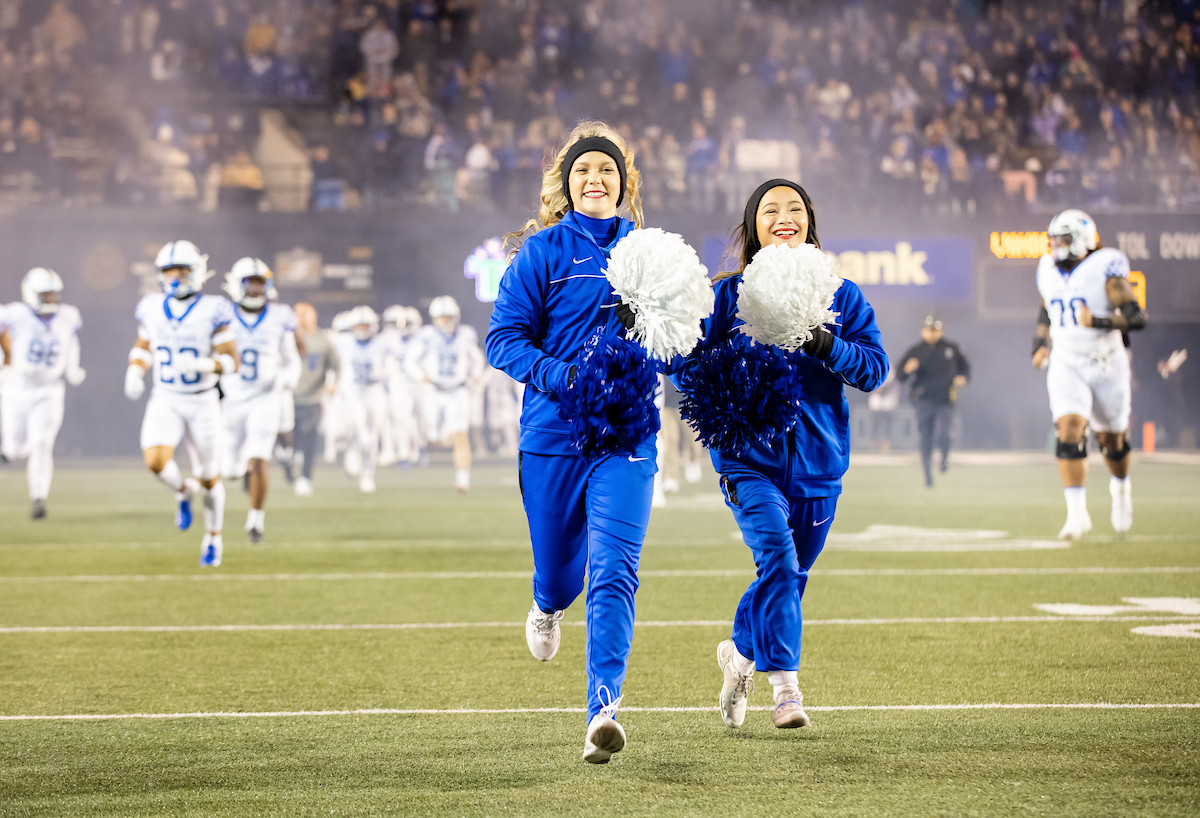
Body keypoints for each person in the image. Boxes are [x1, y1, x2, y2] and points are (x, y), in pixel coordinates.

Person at [681, 179, 888, 731]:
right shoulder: (727, 296)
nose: (783, 216)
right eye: (769, 209)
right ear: (752, 228)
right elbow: (684, 365)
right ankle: (787, 691)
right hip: (748, 461)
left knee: (788, 578)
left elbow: (874, 369)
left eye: (794, 208)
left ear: (810, 222)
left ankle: (739, 657)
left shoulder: (841, 295)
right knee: (777, 559)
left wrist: (826, 343)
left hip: (819, 466)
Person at [486, 121, 652, 764]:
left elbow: (679, 342)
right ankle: (547, 603)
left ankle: (602, 710)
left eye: (607, 170)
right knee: (560, 572)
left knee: (615, 570)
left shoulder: (649, 251)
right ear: (566, 183)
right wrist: (565, 376)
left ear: (623, 183)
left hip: (627, 436)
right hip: (553, 436)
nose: (595, 179)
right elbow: (504, 339)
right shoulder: (543, 253)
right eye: (584, 170)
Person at [1033, 209, 1146, 539]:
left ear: (1081, 239)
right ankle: (1077, 515)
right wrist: (1039, 343)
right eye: (1053, 239)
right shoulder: (1047, 269)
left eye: (1063, 240)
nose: (1056, 246)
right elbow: (1047, 306)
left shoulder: (1106, 270)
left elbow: (1136, 318)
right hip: (1066, 358)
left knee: (1112, 440)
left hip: (1106, 360)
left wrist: (1097, 322)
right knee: (1068, 429)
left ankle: (1121, 490)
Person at [125, 240, 238, 567]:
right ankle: (183, 491)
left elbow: (233, 361)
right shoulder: (151, 306)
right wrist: (135, 369)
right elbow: (143, 345)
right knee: (155, 462)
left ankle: (213, 537)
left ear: (196, 272)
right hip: (166, 398)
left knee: (209, 477)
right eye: (168, 270)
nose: (174, 277)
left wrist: (206, 366)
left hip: (202, 401)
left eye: (181, 270)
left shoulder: (213, 308)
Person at [220, 258, 300, 542]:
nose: (255, 289)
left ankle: (256, 519)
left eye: (259, 283)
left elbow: (292, 359)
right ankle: (241, 471)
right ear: (236, 285)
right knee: (228, 469)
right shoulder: (222, 315)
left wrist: (289, 378)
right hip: (232, 398)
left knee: (259, 456)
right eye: (250, 283)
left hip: (266, 397)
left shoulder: (280, 315)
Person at [0, 268, 86, 518]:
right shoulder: (15, 314)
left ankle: (38, 498)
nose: (51, 300)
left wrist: (72, 368)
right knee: (14, 449)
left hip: (49, 389)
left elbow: (72, 342)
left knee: (41, 442)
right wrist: (7, 362)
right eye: (45, 295)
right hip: (17, 387)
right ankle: (12, 453)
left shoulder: (67, 316)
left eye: (53, 295)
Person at [405, 296, 483, 492]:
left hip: (458, 390)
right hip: (434, 390)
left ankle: (463, 479)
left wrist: (476, 374)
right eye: (441, 317)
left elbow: (477, 358)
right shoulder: (427, 335)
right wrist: (419, 375)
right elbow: (409, 361)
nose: (445, 321)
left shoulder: (465, 334)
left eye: (448, 317)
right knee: (434, 436)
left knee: (461, 434)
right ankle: (437, 440)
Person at [896, 316, 970, 487]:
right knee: (925, 438)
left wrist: (962, 377)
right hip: (923, 400)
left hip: (945, 398)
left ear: (940, 330)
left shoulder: (951, 348)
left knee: (944, 434)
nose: (931, 333)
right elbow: (900, 376)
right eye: (928, 330)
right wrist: (907, 369)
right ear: (923, 331)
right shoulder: (915, 351)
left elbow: (965, 367)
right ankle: (927, 475)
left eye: (935, 330)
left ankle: (944, 457)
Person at [331, 305, 392, 493]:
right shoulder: (342, 341)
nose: (362, 330)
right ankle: (351, 452)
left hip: (374, 392)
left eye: (366, 325)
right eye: (359, 326)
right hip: (353, 392)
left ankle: (367, 474)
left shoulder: (382, 343)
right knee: (355, 431)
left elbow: (392, 368)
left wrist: (380, 373)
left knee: (372, 437)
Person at [291, 302, 339, 496]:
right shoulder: (287, 338)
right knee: (288, 442)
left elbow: (335, 365)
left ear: (314, 315)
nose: (301, 317)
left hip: (312, 397)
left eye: (305, 313)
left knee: (309, 438)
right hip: (288, 397)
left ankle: (305, 477)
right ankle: (289, 466)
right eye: (298, 313)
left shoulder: (322, 339)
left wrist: (333, 382)